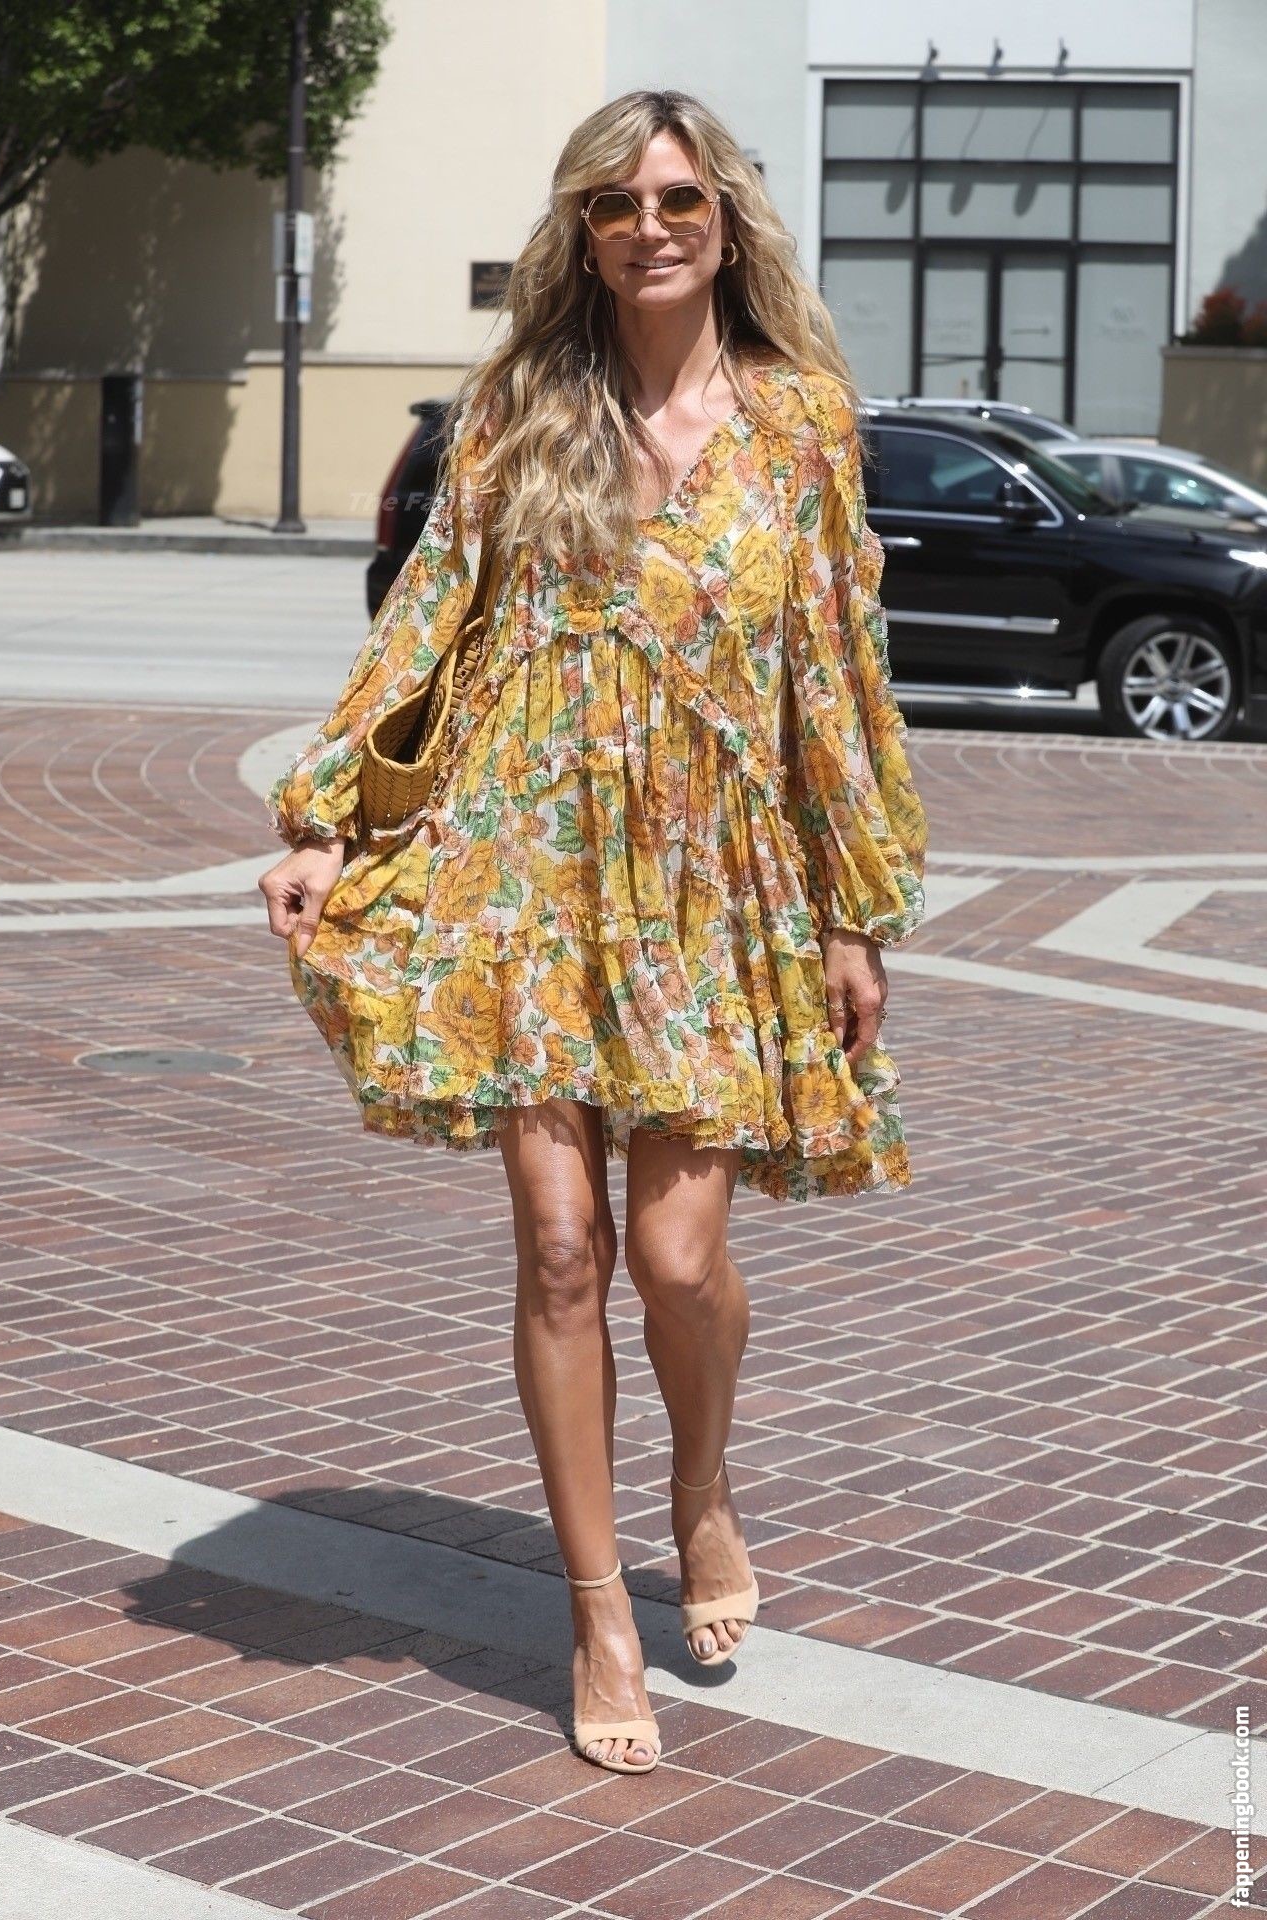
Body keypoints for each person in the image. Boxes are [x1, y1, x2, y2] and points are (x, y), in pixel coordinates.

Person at [258, 89, 927, 1777]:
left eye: (679, 199)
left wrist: (855, 912)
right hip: (527, 863)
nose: (650, 228)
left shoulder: (802, 423)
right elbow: (429, 617)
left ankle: (701, 1484)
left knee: (678, 1261)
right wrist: (329, 818)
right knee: (563, 1250)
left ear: (727, 219)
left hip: (716, 881)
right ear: (583, 231)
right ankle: (597, 1610)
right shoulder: (520, 407)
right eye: (617, 205)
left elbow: (836, 674)